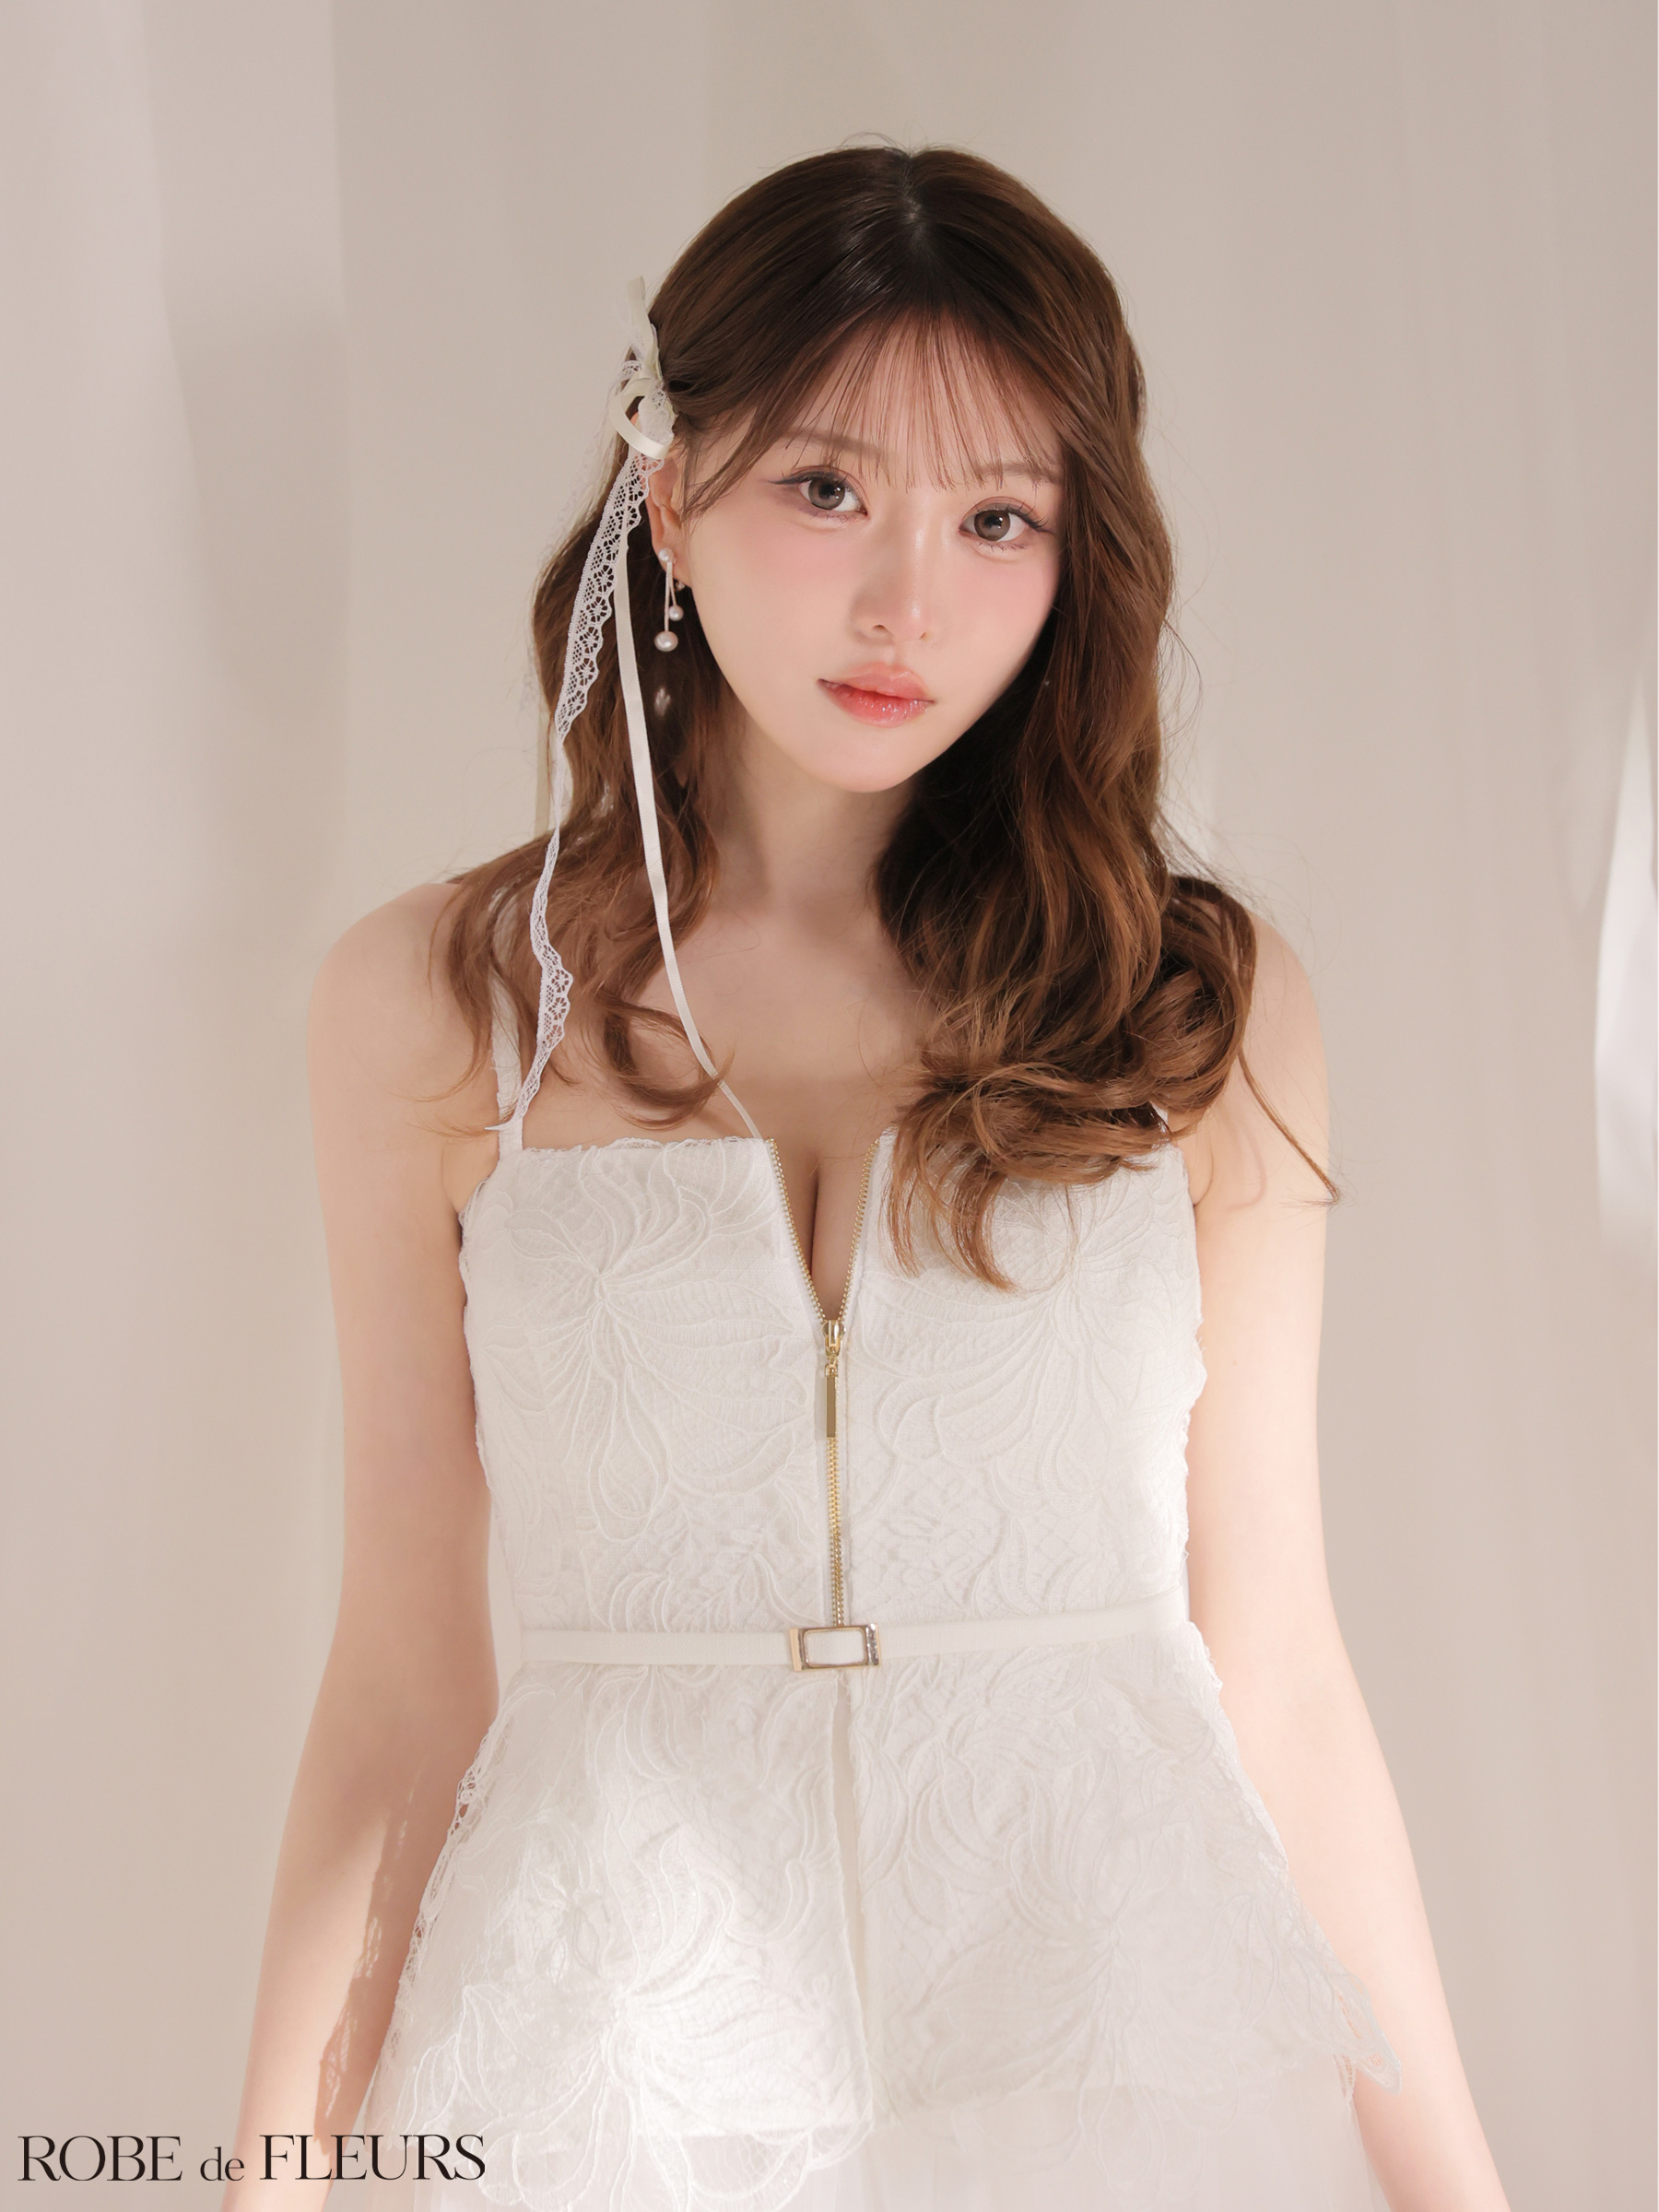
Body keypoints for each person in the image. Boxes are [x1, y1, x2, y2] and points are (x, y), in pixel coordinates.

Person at [224, 146, 1512, 2212]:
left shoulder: (1196, 1003)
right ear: (667, 492)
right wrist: (267, 2176)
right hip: (612, 2082)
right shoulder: (444, 1006)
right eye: (828, 489)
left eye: (998, 517)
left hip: (1120, 2060)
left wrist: (1464, 2195)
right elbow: (400, 1681)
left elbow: (1273, 1660)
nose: (909, 604)